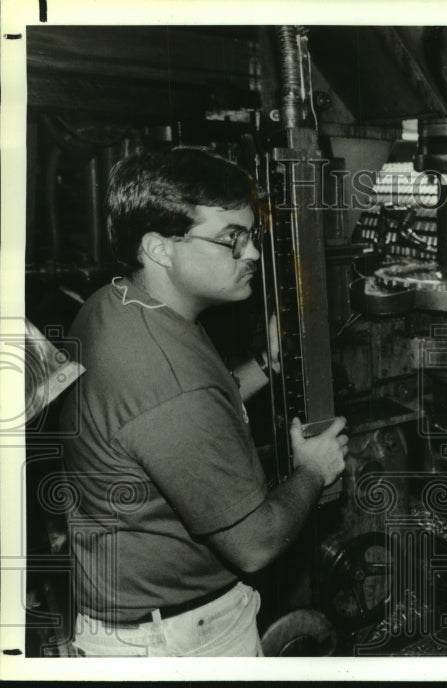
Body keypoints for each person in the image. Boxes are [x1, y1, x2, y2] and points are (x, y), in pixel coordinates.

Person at [60, 147, 348, 657]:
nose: (253, 254)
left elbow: (184, 417)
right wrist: (313, 471)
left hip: (135, 617)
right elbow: (256, 544)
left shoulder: (118, 304)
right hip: (178, 640)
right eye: (230, 240)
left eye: (251, 237)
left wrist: (267, 364)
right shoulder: (165, 374)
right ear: (159, 248)